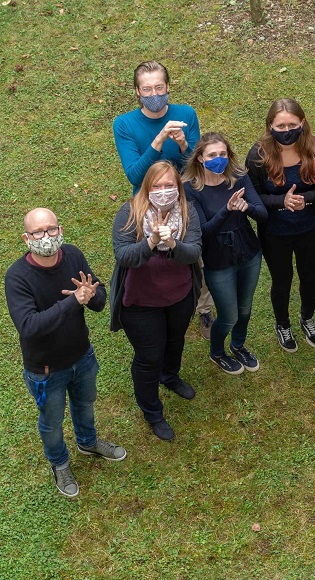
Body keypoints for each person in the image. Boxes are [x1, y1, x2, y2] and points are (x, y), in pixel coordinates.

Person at [5, 208, 126, 498]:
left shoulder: (72, 255)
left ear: (60, 230)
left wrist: (92, 295)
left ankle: (88, 442)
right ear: (26, 238)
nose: (46, 237)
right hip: (46, 370)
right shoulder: (17, 276)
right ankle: (59, 463)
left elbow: (96, 297)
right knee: (52, 422)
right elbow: (29, 326)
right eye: (38, 232)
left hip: (82, 357)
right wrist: (73, 303)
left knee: (85, 405)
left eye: (51, 229)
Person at [112, 60, 213, 339]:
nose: (154, 94)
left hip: (183, 200)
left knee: (193, 253)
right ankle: (150, 308)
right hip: (147, 204)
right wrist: (158, 141)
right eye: (147, 89)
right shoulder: (124, 124)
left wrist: (182, 144)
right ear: (137, 92)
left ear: (168, 87)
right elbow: (135, 175)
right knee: (152, 257)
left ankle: (202, 308)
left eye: (159, 87)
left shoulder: (186, 114)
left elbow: (196, 165)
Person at [110, 161, 202, 441]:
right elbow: (123, 256)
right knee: (149, 356)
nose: (164, 192)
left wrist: (173, 243)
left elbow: (194, 251)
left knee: (175, 341)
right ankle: (152, 411)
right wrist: (150, 243)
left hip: (179, 295)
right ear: (147, 188)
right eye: (157, 186)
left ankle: (170, 376)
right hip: (141, 302)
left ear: (178, 187)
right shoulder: (129, 212)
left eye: (169, 186)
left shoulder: (188, 210)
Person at [246, 98, 315, 352]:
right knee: (281, 280)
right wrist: (282, 200)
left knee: (309, 276)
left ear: (302, 123)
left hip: (310, 229)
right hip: (275, 233)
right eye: (280, 126)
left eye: (292, 125)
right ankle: (282, 324)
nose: (286, 131)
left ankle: (307, 318)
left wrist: (304, 199)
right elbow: (254, 197)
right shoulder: (258, 155)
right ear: (270, 126)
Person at [183, 132, 268, 375]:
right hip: (218, 260)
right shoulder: (191, 189)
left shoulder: (239, 177)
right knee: (229, 315)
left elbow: (262, 214)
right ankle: (217, 351)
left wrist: (247, 207)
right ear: (200, 158)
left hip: (248, 253)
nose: (218, 159)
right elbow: (204, 233)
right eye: (212, 155)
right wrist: (228, 209)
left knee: (245, 309)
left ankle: (238, 345)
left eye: (223, 154)